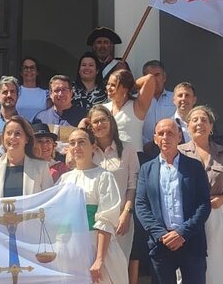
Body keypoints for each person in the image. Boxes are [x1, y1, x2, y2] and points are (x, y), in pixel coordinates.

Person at [135, 119, 211, 284]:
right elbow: (141, 205)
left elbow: (204, 204)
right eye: (161, 133)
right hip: (160, 245)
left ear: (179, 137)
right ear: (155, 139)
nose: (165, 137)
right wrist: (162, 235)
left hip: (191, 242)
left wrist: (182, 233)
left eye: (170, 133)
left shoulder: (194, 166)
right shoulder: (146, 169)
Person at [59, 128, 129, 284]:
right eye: (72, 143)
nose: (76, 147)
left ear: (93, 147)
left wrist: (99, 259)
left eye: (81, 142)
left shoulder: (104, 177)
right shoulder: (64, 180)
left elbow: (106, 219)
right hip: (72, 251)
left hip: (97, 249)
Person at [78, 105, 140, 280]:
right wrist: (81, 130)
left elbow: (132, 185)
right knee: (95, 270)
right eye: (94, 122)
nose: (99, 125)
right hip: (94, 224)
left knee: (118, 269)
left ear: (110, 121)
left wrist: (126, 213)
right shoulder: (88, 151)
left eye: (103, 120)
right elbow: (70, 161)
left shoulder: (128, 149)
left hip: (121, 221)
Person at [179, 106, 223, 284]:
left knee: (219, 261)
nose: (200, 123)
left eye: (204, 120)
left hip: (216, 213)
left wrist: (222, 199)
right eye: (195, 120)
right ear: (187, 126)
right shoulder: (179, 153)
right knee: (189, 262)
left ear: (211, 127)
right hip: (188, 215)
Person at [0, 116, 54, 198]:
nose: (12, 137)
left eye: (18, 133)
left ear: (27, 139)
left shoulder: (41, 167)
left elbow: (49, 201)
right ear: (3, 137)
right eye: (9, 133)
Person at [104, 69, 156, 154]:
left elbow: (150, 78)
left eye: (113, 85)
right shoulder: (102, 108)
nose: (108, 88)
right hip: (109, 158)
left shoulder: (137, 106)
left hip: (134, 158)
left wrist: (130, 86)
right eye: (108, 84)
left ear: (125, 89)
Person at [141, 61, 175, 145]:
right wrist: (146, 144)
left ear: (164, 77)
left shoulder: (175, 98)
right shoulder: (136, 100)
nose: (154, 79)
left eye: (157, 75)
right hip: (143, 150)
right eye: (150, 76)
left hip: (171, 147)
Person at [16, 57, 49, 121]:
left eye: (32, 68)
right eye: (25, 68)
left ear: (37, 72)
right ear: (21, 72)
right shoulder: (15, 91)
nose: (29, 70)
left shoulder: (46, 94)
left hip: (39, 129)